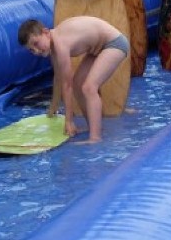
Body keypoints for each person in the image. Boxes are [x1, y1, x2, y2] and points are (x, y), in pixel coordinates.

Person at [18, 16, 129, 144]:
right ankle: (94, 126)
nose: (36, 51)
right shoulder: (52, 46)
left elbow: (66, 85)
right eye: (31, 50)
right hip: (97, 49)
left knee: (89, 87)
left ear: (46, 32)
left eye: (36, 43)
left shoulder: (60, 43)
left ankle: (95, 137)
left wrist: (69, 121)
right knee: (78, 85)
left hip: (114, 43)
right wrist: (53, 108)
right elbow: (58, 78)